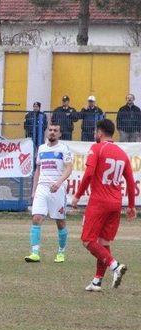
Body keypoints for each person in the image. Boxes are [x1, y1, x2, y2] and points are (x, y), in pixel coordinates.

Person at [71, 119, 136, 292]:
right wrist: (131, 206)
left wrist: (77, 196)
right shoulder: (122, 154)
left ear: (100, 133)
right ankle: (97, 281)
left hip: (99, 202)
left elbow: (88, 175)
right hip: (116, 203)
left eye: (95, 132)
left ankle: (115, 266)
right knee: (103, 241)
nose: (94, 134)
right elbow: (130, 182)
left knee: (87, 240)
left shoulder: (97, 148)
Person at [24, 122, 73, 263]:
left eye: (55, 130)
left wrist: (58, 183)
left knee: (60, 222)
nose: (52, 132)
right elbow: (38, 170)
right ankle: (34, 253)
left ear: (59, 134)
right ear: (47, 132)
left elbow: (69, 168)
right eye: (50, 130)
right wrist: (34, 190)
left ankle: (61, 252)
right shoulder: (41, 148)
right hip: (42, 187)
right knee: (36, 218)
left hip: (57, 189)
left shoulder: (64, 149)